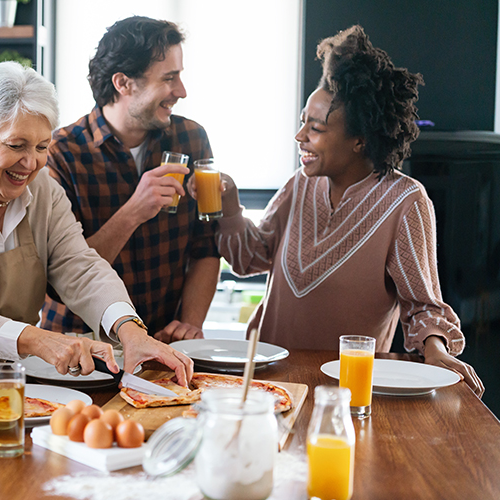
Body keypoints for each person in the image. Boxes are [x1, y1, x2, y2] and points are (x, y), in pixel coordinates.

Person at [0, 61, 194, 437]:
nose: (31, 162)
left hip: (20, 401)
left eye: (41, 146)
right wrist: (38, 339)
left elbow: (80, 265)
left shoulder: (44, 193)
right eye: (16, 145)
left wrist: (129, 330)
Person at [202, 25, 483, 396]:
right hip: (264, 380)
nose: (300, 136)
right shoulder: (301, 183)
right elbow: (251, 258)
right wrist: (231, 205)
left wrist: (436, 352)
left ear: (359, 140)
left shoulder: (405, 202)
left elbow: (422, 306)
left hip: (344, 391)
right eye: (303, 122)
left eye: (315, 128)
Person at [40, 16, 220, 344]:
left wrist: (190, 325)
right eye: (169, 78)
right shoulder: (60, 154)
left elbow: (206, 247)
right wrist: (134, 211)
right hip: (78, 355)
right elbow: (59, 278)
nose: (181, 91)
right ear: (124, 83)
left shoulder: (191, 139)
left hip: (164, 350)